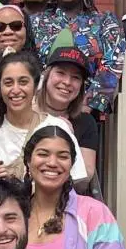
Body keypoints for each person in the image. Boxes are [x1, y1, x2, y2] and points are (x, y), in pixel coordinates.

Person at [30, 0, 125, 118]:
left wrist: (88, 104)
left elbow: (113, 63)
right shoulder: (35, 22)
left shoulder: (104, 22)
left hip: (86, 115)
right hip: (38, 111)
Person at [0, 50, 86, 184]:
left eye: (23, 82)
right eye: (8, 83)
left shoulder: (56, 127)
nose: (16, 89)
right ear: (0, 88)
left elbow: (76, 181)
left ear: (36, 85)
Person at [35, 43, 100, 186]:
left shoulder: (85, 122)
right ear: (46, 74)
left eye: (75, 77)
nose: (67, 82)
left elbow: (86, 177)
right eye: (60, 73)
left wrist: (70, 139)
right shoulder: (26, 111)